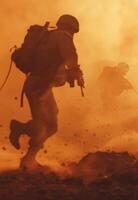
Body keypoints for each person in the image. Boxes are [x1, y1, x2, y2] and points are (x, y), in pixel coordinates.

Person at [9, 15, 84, 171]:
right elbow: (70, 57)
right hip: (39, 87)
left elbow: (55, 64)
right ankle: (23, 142)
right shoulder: (62, 37)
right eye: (74, 32)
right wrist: (76, 73)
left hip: (40, 86)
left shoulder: (48, 37)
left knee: (51, 125)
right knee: (45, 125)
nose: (73, 35)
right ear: (71, 28)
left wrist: (71, 73)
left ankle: (28, 157)